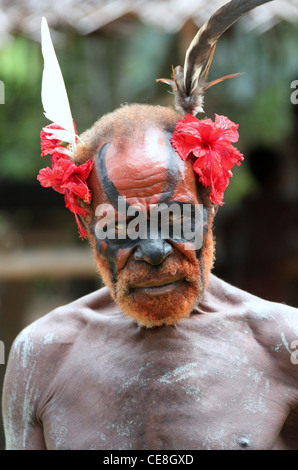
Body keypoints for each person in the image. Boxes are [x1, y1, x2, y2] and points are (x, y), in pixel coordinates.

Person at [2, 0, 298, 451]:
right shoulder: (40, 354)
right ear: (88, 225)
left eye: (176, 219)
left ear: (210, 208)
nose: (154, 250)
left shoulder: (283, 345)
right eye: (122, 227)